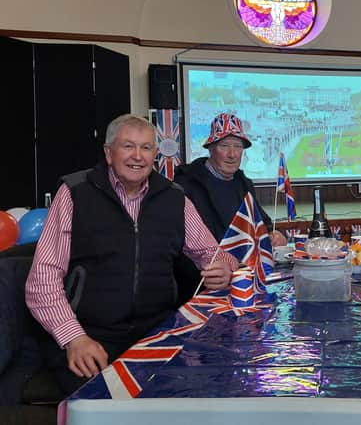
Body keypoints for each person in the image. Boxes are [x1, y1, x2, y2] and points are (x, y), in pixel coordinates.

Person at [25, 114, 239, 396]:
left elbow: (213, 254)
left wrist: (224, 268)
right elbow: (43, 279)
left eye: (147, 148)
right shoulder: (75, 193)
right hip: (90, 337)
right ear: (108, 153)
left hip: (157, 335)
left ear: (155, 154)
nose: (138, 156)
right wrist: (74, 338)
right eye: (128, 146)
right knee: (101, 410)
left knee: (201, 395)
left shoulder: (174, 197)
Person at [174, 112, 287, 246]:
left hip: (243, 264)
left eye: (238, 146)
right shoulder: (186, 185)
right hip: (206, 265)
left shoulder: (244, 184)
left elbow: (264, 225)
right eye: (225, 146)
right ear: (211, 149)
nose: (232, 154)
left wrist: (276, 235)